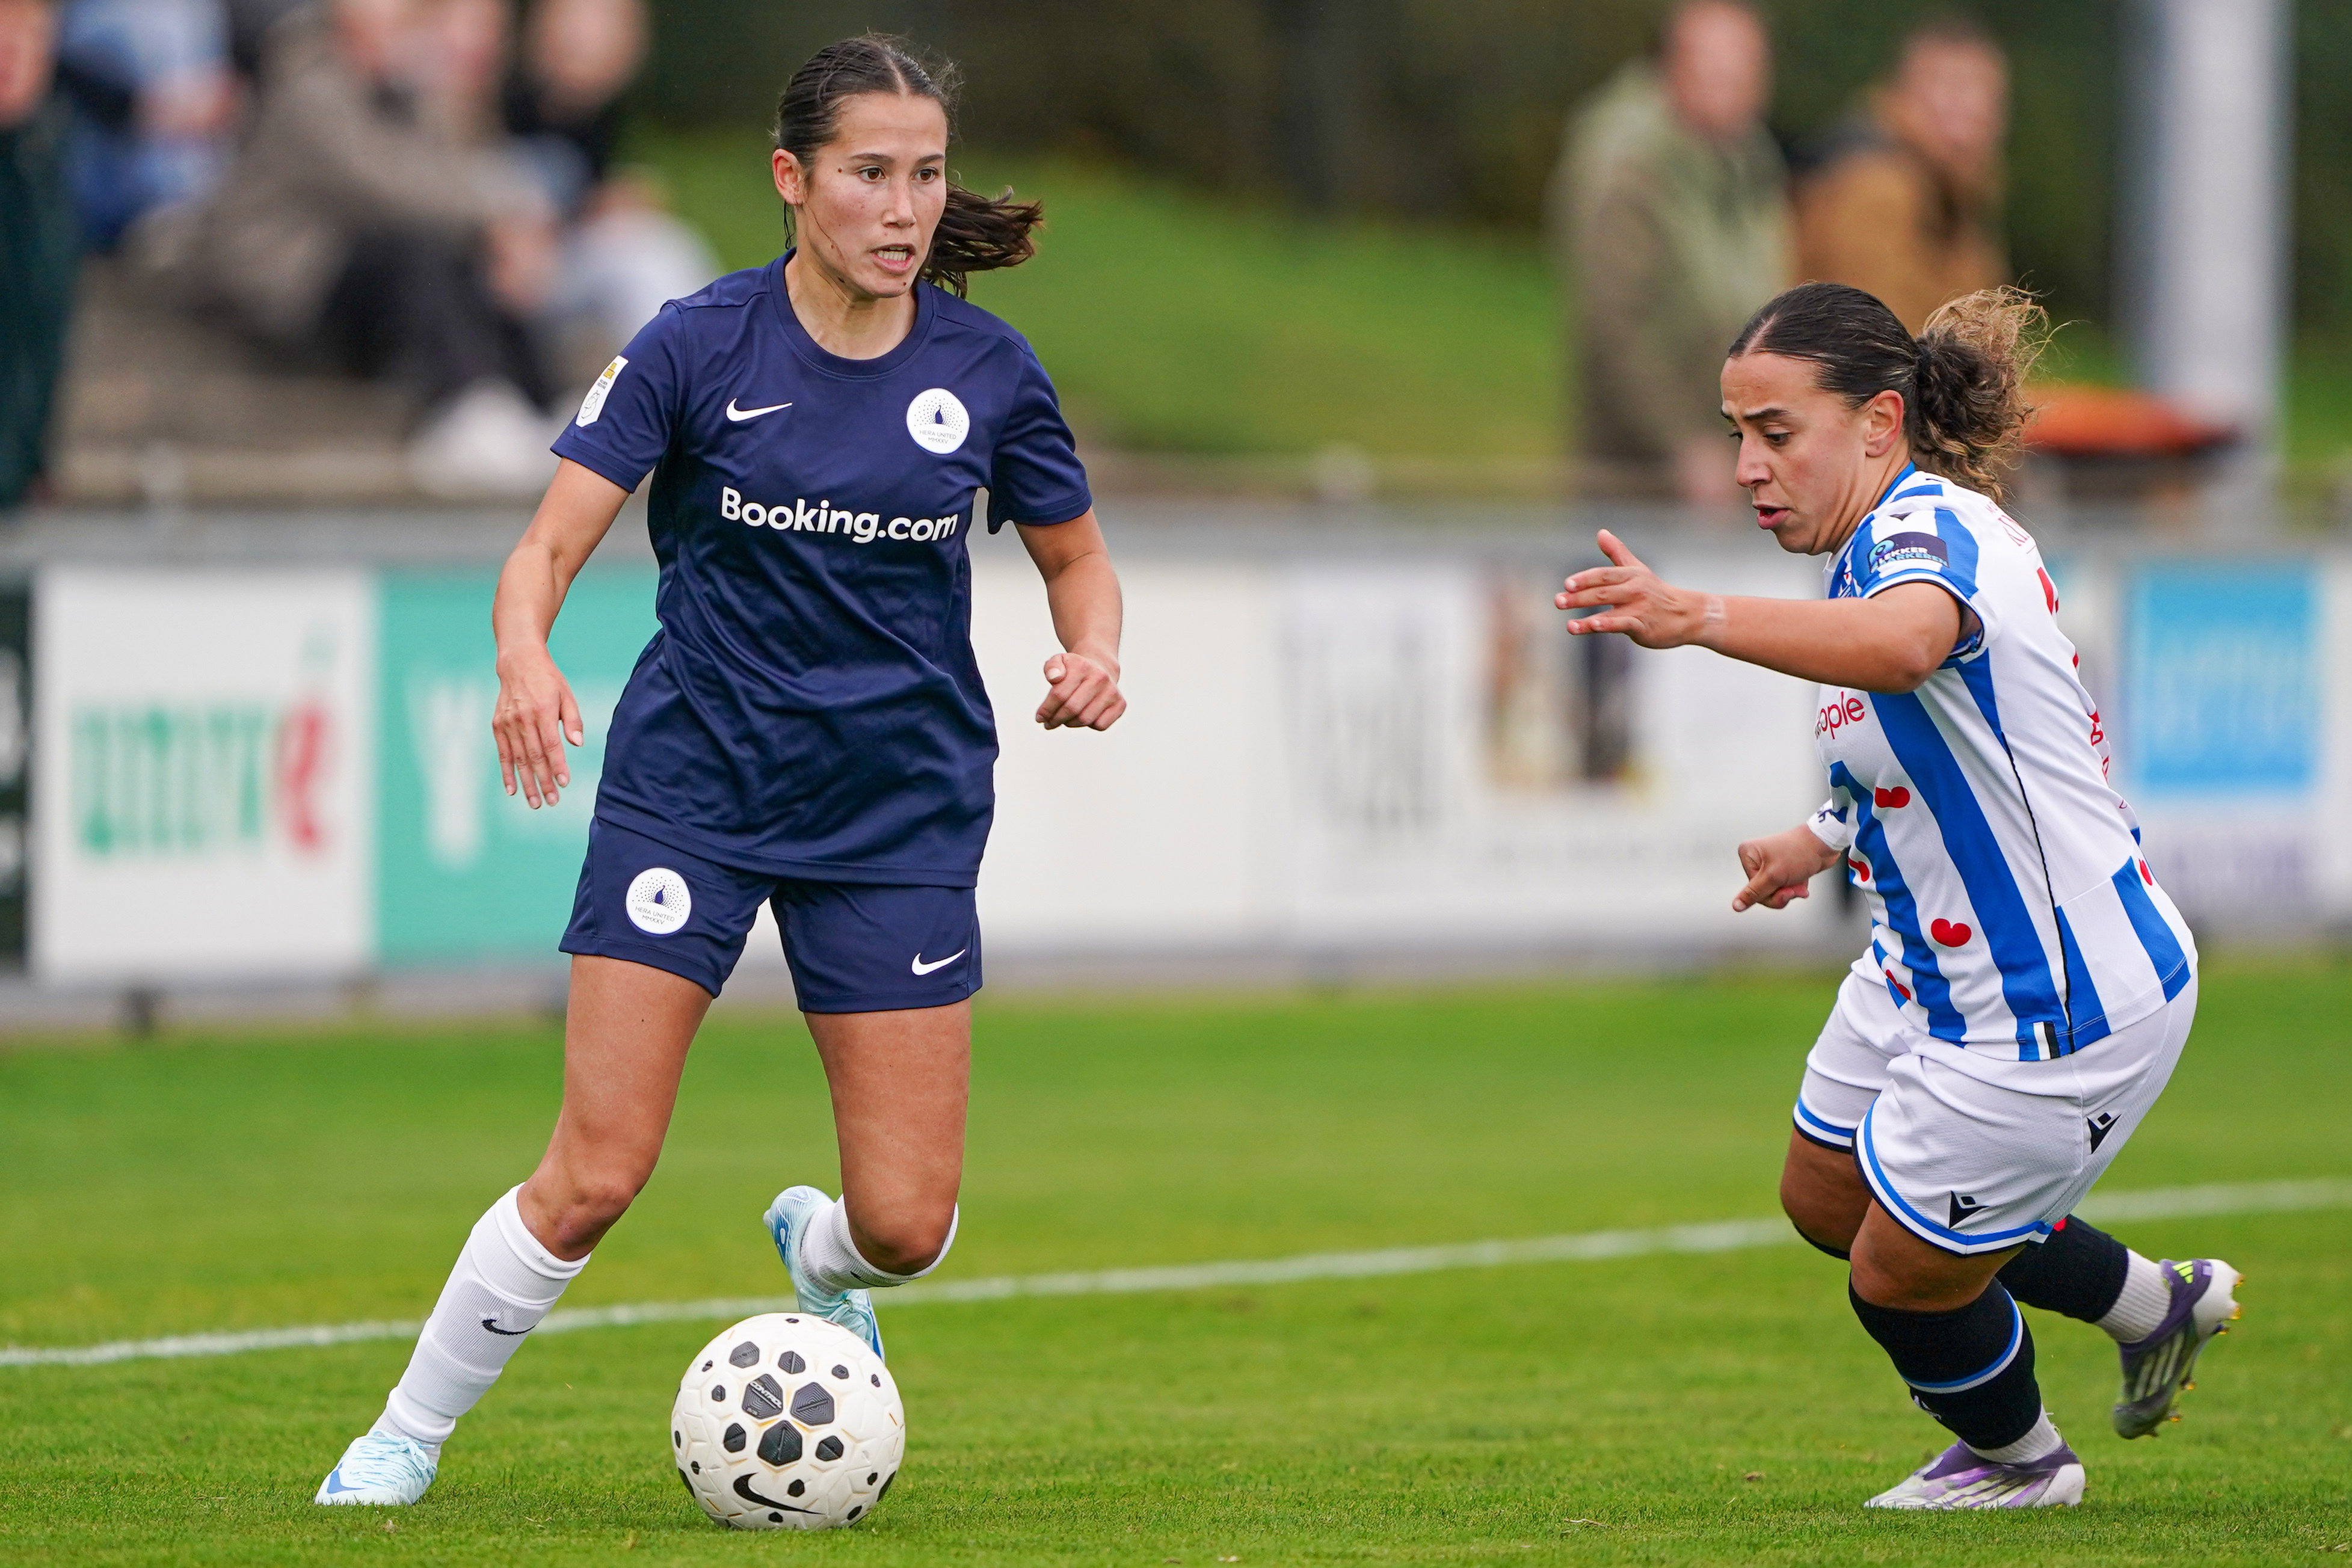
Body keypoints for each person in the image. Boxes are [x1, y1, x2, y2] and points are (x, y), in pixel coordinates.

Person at [313, 33, 1126, 1508]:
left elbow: (1077, 561)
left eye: (926, 175)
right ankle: (404, 1436)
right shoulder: (696, 343)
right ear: (790, 179)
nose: (903, 208)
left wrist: (1095, 652)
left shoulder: (987, 371)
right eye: (869, 173)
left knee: (904, 1225)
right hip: (691, 792)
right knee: (595, 1169)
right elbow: (544, 548)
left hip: (895, 814)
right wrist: (523, 656)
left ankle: (816, 1251)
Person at [1554, 281, 2240, 1509]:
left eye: (1776, 432)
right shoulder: (1863, 551)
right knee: (1824, 1195)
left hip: (2054, 1001)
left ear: (1878, 421)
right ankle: (2151, 1302)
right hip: (1928, 967)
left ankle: (2020, 1463)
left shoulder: (1928, 529)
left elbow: (1909, 646)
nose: (1748, 467)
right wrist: (1821, 833)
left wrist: (1693, 614)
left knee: (1895, 1275)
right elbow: (1919, 735)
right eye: (1736, 434)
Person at [173, 0, 563, 497]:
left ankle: (542, 400)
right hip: (282, 290)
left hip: (349, 274)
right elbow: (389, 185)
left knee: (468, 259)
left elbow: (446, 174)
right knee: (418, 254)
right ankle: (467, 406)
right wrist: (501, 216)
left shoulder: (401, 93)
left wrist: (501, 228)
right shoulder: (308, 90)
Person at [1548, 0, 1788, 504]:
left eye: (1745, 71)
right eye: (1714, 69)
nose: (1733, 88)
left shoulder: (1748, 160)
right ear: (1672, 67)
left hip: (1736, 456)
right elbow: (1613, 325)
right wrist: (1683, 444)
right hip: (1640, 474)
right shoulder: (1629, 166)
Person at [1794, 17, 2008, 334]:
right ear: (1905, 94)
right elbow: (1875, 339)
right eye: (1950, 88)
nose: (1970, 108)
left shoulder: (1952, 196)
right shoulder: (1873, 188)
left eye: (1983, 93)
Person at [0, 0, 75, 510]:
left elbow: (43, 331)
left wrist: (34, 458)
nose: (8, 65)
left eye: (21, 49)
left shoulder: (43, 167)